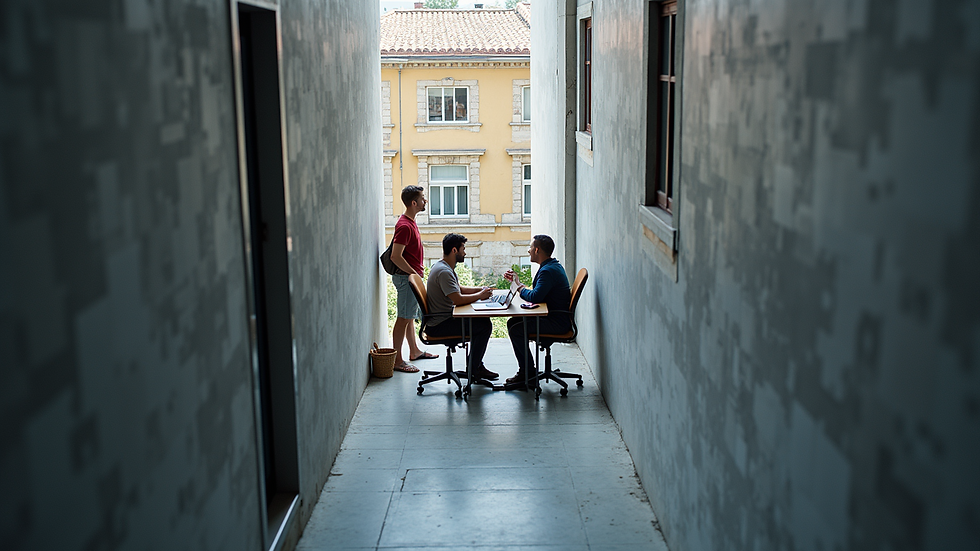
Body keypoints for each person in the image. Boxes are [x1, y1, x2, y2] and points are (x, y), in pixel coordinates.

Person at [425, 233, 499, 381]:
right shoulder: (444, 272)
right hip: (440, 324)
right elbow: (457, 299)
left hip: (442, 319)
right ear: (454, 250)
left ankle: (475, 366)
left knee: (482, 322)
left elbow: (458, 290)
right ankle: (475, 369)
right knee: (484, 326)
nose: (465, 253)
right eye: (463, 249)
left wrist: (480, 290)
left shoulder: (442, 266)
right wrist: (480, 296)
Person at [503, 235, 572, 386]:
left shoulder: (547, 271)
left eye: (530, 247)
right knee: (513, 323)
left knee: (516, 329)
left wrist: (519, 288)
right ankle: (527, 371)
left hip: (556, 322)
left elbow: (535, 297)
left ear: (537, 250)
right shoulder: (551, 266)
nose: (528, 250)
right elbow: (539, 294)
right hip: (555, 316)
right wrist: (519, 284)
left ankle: (527, 374)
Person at [390, 185, 438, 372]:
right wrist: (413, 274)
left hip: (408, 277)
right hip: (405, 279)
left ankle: (414, 351)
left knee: (409, 317)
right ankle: (397, 361)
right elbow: (395, 256)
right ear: (414, 203)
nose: (425, 201)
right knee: (403, 318)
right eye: (422, 198)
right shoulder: (404, 226)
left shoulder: (410, 222)